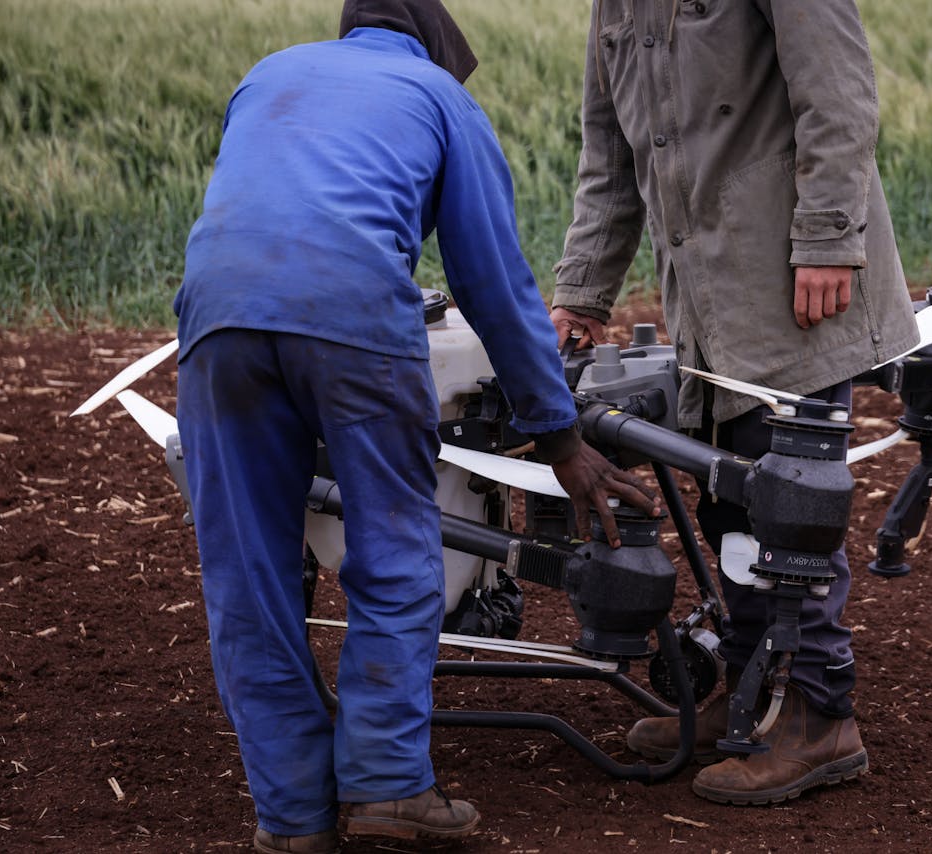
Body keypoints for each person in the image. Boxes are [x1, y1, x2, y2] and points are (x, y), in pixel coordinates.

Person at [172, 2, 659, 852]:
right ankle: (388, 786)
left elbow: (264, 205)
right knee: (395, 552)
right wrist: (559, 437)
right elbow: (493, 286)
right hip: (354, 318)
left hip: (216, 321)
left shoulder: (268, 76)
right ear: (435, 41)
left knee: (248, 577)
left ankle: (291, 818)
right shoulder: (440, 97)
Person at [549, 1, 919, 805]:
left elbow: (839, 92)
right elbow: (609, 149)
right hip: (703, 293)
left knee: (793, 501)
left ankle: (820, 712)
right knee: (730, 498)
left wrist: (829, 238)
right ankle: (754, 686)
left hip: (792, 279)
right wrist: (582, 291)